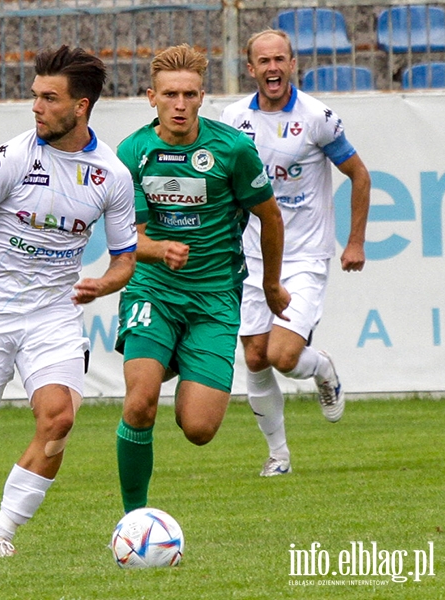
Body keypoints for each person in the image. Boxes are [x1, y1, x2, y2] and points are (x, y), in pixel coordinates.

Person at [0, 45, 137, 557]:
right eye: (34, 95)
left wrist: (103, 283)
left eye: (48, 98)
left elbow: (125, 258)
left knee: (59, 418)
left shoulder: (112, 176)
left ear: (80, 106)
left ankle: (2, 532)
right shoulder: (11, 158)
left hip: (53, 314)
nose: (35, 107)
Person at [114, 44, 289, 513]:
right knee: (140, 404)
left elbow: (270, 218)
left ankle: (169, 356)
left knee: (199, 430)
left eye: (190, 94)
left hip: (215, 297)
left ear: (202, 96)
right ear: (151, 97)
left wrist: (271, 285)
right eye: (170, 94)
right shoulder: (132, 153)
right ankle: (134, 519)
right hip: (154, 290)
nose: (180, 104)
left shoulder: (232, 149)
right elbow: (132, 237)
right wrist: (158, 249)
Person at [220, 29, 371, 477]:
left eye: (280, 59)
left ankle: (320, 366)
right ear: (251, 69)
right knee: (252, 357)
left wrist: (355, 241)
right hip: (250, 256)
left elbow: (359, 176)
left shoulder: (317, 117)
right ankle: (278, 456)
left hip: (304, 256)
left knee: (283, 357)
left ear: (292, 64)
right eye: (263, 61)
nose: (272, 68)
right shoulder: (231, 119)